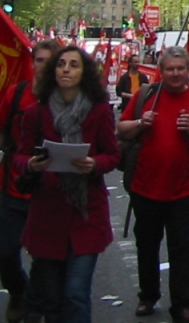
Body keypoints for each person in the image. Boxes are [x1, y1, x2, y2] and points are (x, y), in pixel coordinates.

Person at [14, 46, 119, 323]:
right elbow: (20, 155)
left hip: (86, 213)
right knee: (53, 298)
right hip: (47, 214)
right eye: (61, 64)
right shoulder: (36, 112)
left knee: (76, 293)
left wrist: (95, 164)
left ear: (84, 73)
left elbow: (112, 154)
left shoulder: (98, 111)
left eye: (74, 65)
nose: (66, 69)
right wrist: (31, 165)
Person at [117, 46, 189, 323]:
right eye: (170, 69)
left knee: (180, 249)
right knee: (147, 246)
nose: (175, 73)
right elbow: (121, 130)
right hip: (144, 186)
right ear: (160, 72)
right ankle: (147, 296)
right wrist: (140, 122)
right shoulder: (146, 96)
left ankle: (183, 306)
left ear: (188, 71)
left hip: (181, 189)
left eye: (180, 68)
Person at [0, 40, 57, 323]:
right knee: (5, 251)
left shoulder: (65, 98)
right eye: (39, 60)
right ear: (32, 62)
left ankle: (37, 304)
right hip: (12, 185)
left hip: (48, 192)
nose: (43, 66)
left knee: (44, 257)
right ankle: (19, 291)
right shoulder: (15, 94)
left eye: (50, 61)